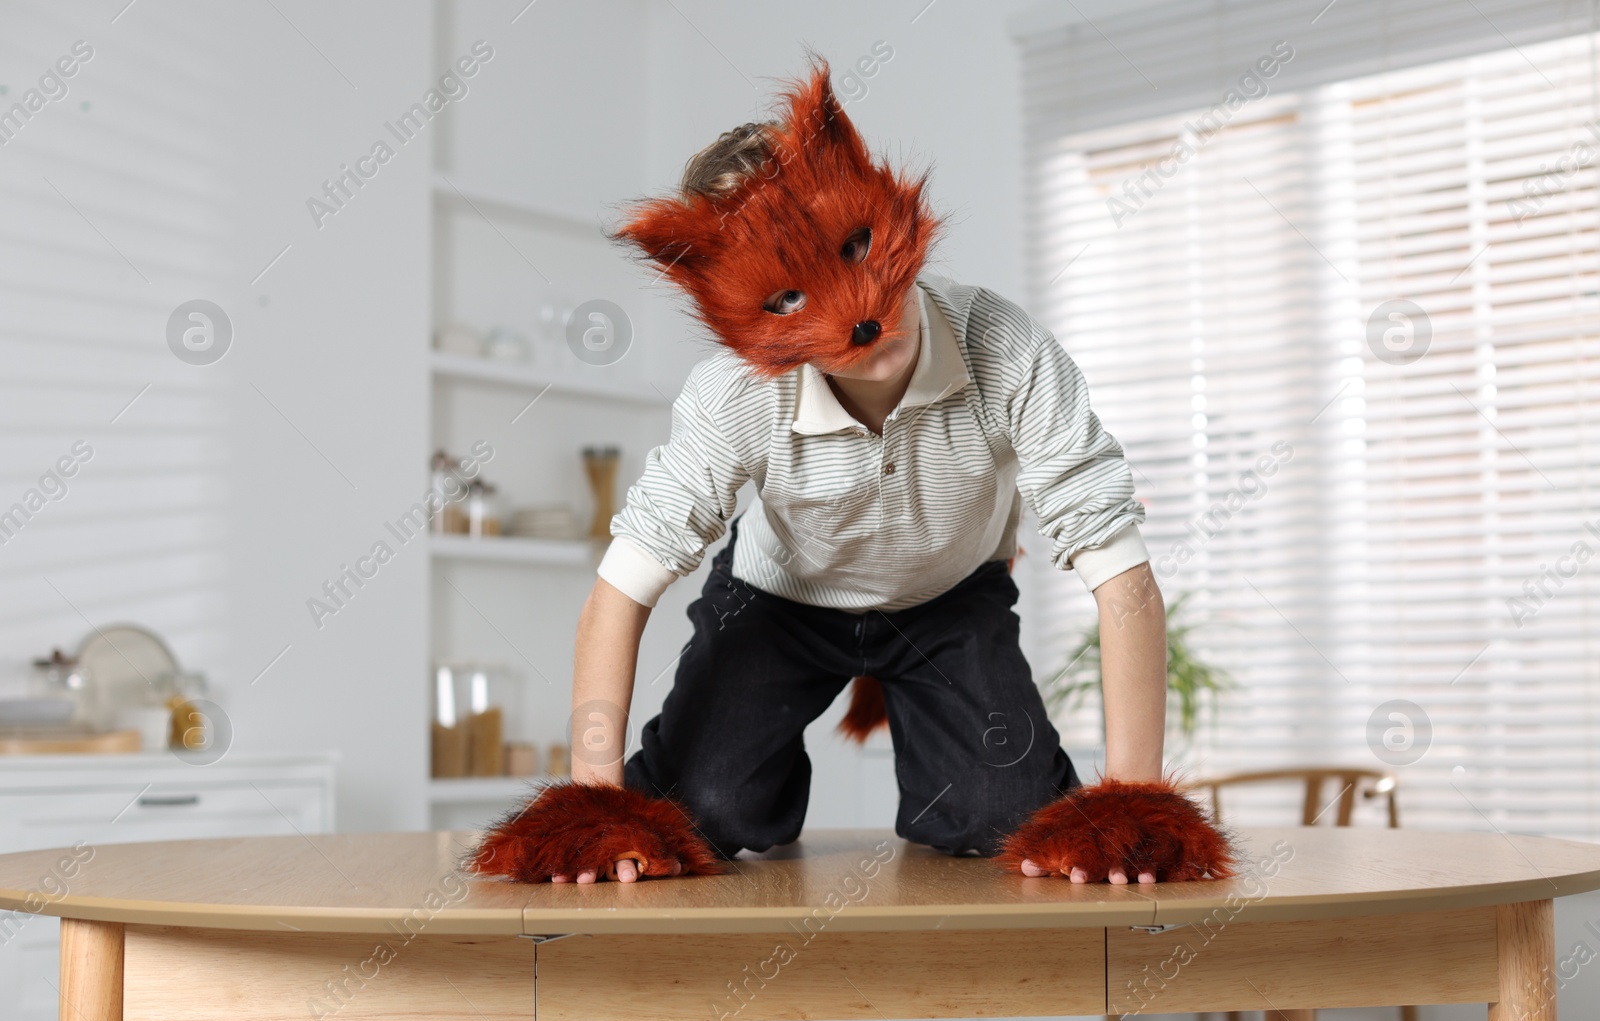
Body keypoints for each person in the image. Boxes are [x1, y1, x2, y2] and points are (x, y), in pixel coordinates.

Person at [475, 59, 1234, 888]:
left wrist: (1133, 808)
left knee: (1001, 814)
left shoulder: (1005, 349)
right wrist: (592, 808)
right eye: (794, 295)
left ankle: (962, 777)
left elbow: (1121, 574)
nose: (862, 310)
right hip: (780, 600)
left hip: (949, 600)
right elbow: (619, 591)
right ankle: (743, 783)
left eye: (858, 245)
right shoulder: (735, 397)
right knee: (707, 809)